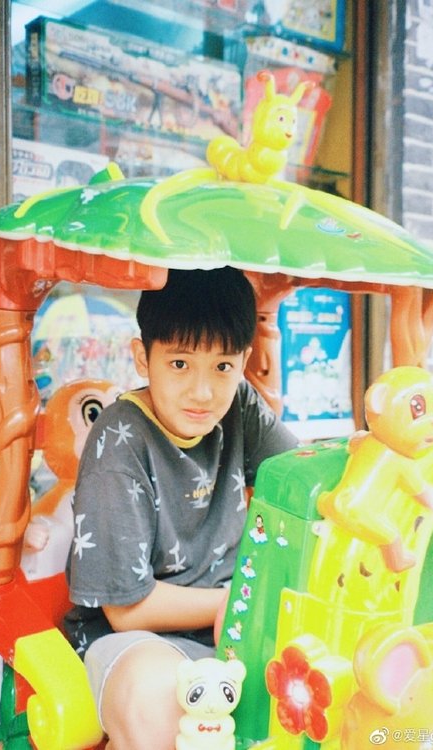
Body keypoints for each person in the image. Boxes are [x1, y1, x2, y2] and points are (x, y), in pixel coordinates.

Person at [65, 267, 298, 749]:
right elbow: (126, 611)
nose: (202, 391)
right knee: (162, 698)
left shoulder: (238, 405)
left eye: (223, 366)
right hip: (138, 641)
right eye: (179, 363)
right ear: (142, 357)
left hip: (233, 628)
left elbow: (298, 478)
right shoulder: (120, 440)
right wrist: (239, 601)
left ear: (244, 360)